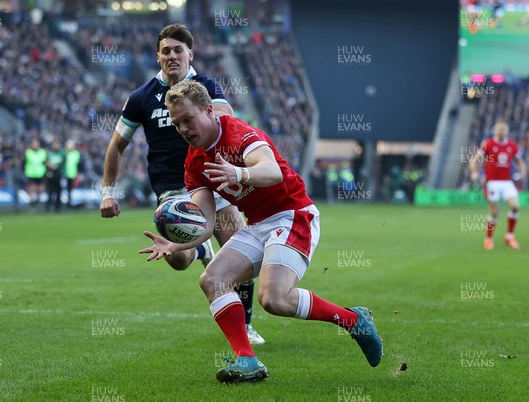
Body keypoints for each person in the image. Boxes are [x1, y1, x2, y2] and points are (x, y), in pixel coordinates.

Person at [140, 80, 383, 383]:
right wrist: (177, 245)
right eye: (176, 124)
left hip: (292, 214)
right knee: (212, 279)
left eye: (188, 119)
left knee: (274, 298)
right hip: (258, 224)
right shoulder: (195, 162)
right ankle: (247, 360)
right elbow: (204, 220)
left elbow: (272, 171)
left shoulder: (238, 133)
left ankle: (352, 319)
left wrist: (239, 172)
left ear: (208, 110)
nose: (183, 129)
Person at [99, 23, 264, 344]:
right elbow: (116, 145)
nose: (172, 56)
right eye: (166, 51)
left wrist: (242, 172)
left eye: (178, 50)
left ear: (191, 54)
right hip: (173, 188)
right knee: (179, 260)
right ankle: (200, 245)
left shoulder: (207, 87)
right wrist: (108, 192)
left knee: (245, 258)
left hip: (216, 181)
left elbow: (228, 123)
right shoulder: (141, 98)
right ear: (158, 56)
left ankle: (244, 325)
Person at [470, 119, 526, 250]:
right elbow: (475, 160)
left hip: (507, 182)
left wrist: (522, 172)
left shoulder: (512, 146)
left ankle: (509, 236)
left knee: (515, 207)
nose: (501, 132)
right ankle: (488, 239)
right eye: (499, 129)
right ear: (494, 130)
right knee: (495, 211)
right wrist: (474, 173)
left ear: (507, 131)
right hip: (492, 182)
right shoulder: (488, 144)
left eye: (503, 129)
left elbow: (519, 161)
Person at [24, 139, 47, 210]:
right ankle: (32, 202)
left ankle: (37, 201)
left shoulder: (43, 152)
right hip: (31, 174)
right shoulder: (28, 152)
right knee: (32, 189)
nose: (36, 145)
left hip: (41, 173)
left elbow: (45, 161)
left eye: (37, 144)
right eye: (34, 144)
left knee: (40, 189)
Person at [45, 139, 66, 212]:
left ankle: (58, 208)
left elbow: (62, 164)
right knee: (50, 192)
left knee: (58, 192)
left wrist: (53, 166)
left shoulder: (62, 154)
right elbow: (46, 162)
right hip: (51, 176)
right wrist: (51, 166)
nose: (56, 146)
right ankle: (48, 207)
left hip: (59, 175)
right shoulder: (49, 154)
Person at [64, 139, 81, 208]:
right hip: (64, 174)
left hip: (73, 174)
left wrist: (80, 173)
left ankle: (70, 203)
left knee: (71, 189)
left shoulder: (76, 153)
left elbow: (79, 164)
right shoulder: (64, 153)